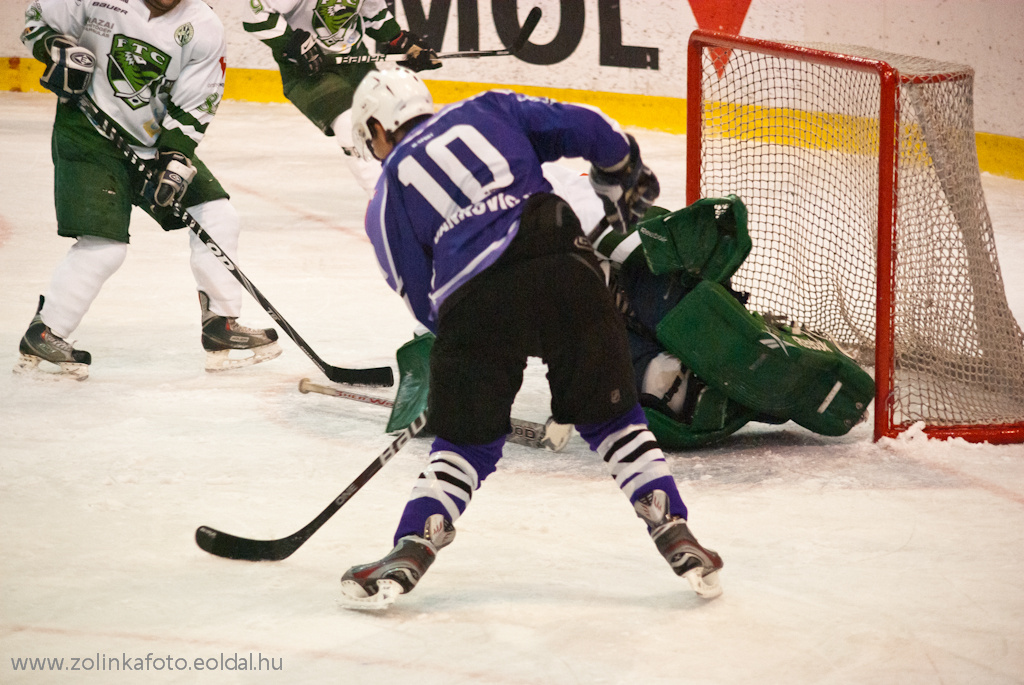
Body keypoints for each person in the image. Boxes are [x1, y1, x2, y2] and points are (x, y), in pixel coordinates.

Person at [338, 67, 724, 607]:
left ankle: (412, 543)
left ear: (379, 128)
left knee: (465, 442)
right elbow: (595, 130)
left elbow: (424, 302)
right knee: (613, 420)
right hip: (564, 260)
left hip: (471, 300)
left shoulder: (385, 198)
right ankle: (672, 526)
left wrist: (468, 355)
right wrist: (621, 172)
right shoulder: (489, 107)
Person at [14, 0, 281, 380]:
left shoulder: (203, 25)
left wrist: (175, 159)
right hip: (88, 136)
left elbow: (195, 103)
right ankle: (46, 332)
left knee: (217, 214)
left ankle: (220, 326)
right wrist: (57, 50)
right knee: (105, 248)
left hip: (152, 144)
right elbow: (38, 20)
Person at [544, 171, 877, 450]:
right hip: (630, 300)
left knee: (657, 307)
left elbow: (632, 236)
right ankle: (682, 382)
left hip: (659, 272)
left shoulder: (553, 199)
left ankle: (752, 371)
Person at [242, 0, 440, 198]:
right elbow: (256, 15)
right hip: (305, 70)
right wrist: (289, 42)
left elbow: (374, 13)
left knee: (391, 115)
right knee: (349, 122)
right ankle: (385, 200)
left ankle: (421, 189)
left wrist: (400, 41)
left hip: (354, 60)